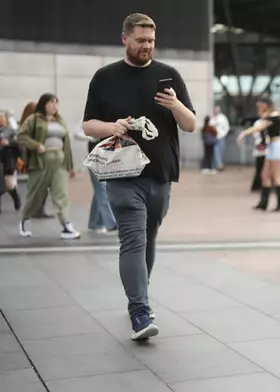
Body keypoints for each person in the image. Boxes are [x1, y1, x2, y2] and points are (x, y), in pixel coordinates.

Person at [82, 13, 196, 341]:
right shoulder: (105, 77)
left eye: (151, 41)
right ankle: (139, 309)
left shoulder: (169, 76)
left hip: (160, 173)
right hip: (121, 173)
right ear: (125, 39)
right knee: (132, 237)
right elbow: (88, 125)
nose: (147, 46)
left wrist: (175, 104)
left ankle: (139, 293)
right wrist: (111, 126)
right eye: (141, 40)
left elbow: (189, 124)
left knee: (150, 235)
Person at [17, 94, 80, 239]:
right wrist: (36, 145)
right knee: (36, 193)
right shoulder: (34, 119)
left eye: (56, 103)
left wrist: (70, 166)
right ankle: (25, 219)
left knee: (61, 193)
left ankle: (66, 225)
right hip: (41, 161)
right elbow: (21, 136)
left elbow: (67, 144)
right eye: (51, 103)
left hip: (60, 160)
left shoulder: (60, 121)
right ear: (44, 104)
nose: (54, 106)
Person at [237, 97, 280, 211]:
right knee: (265, 176)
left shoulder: (274, 115)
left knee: (276, 177)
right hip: (271, 148)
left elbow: (260, 126)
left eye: (260, 106)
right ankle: (263, 203)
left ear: (266, 105)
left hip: (277, 147)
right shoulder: (267, 116)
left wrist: (244, 133)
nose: (258, 109)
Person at [0, 111, 22, 213]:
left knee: (10, 185)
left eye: (1, 117)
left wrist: (9, 142)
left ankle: (16, 197)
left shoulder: (11, 130)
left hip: (8, 159)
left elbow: (19, 141)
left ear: (6, 118)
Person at [210, 104, 230, 171]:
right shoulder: (212, 118)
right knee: (216, 151)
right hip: (214, 137)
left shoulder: (223, 118)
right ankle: (219, 165)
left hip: (221, 137)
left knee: (220, 151)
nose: (216, 110)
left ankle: (218, 164)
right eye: (215, 109)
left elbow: (227, 127)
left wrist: (223, 134)